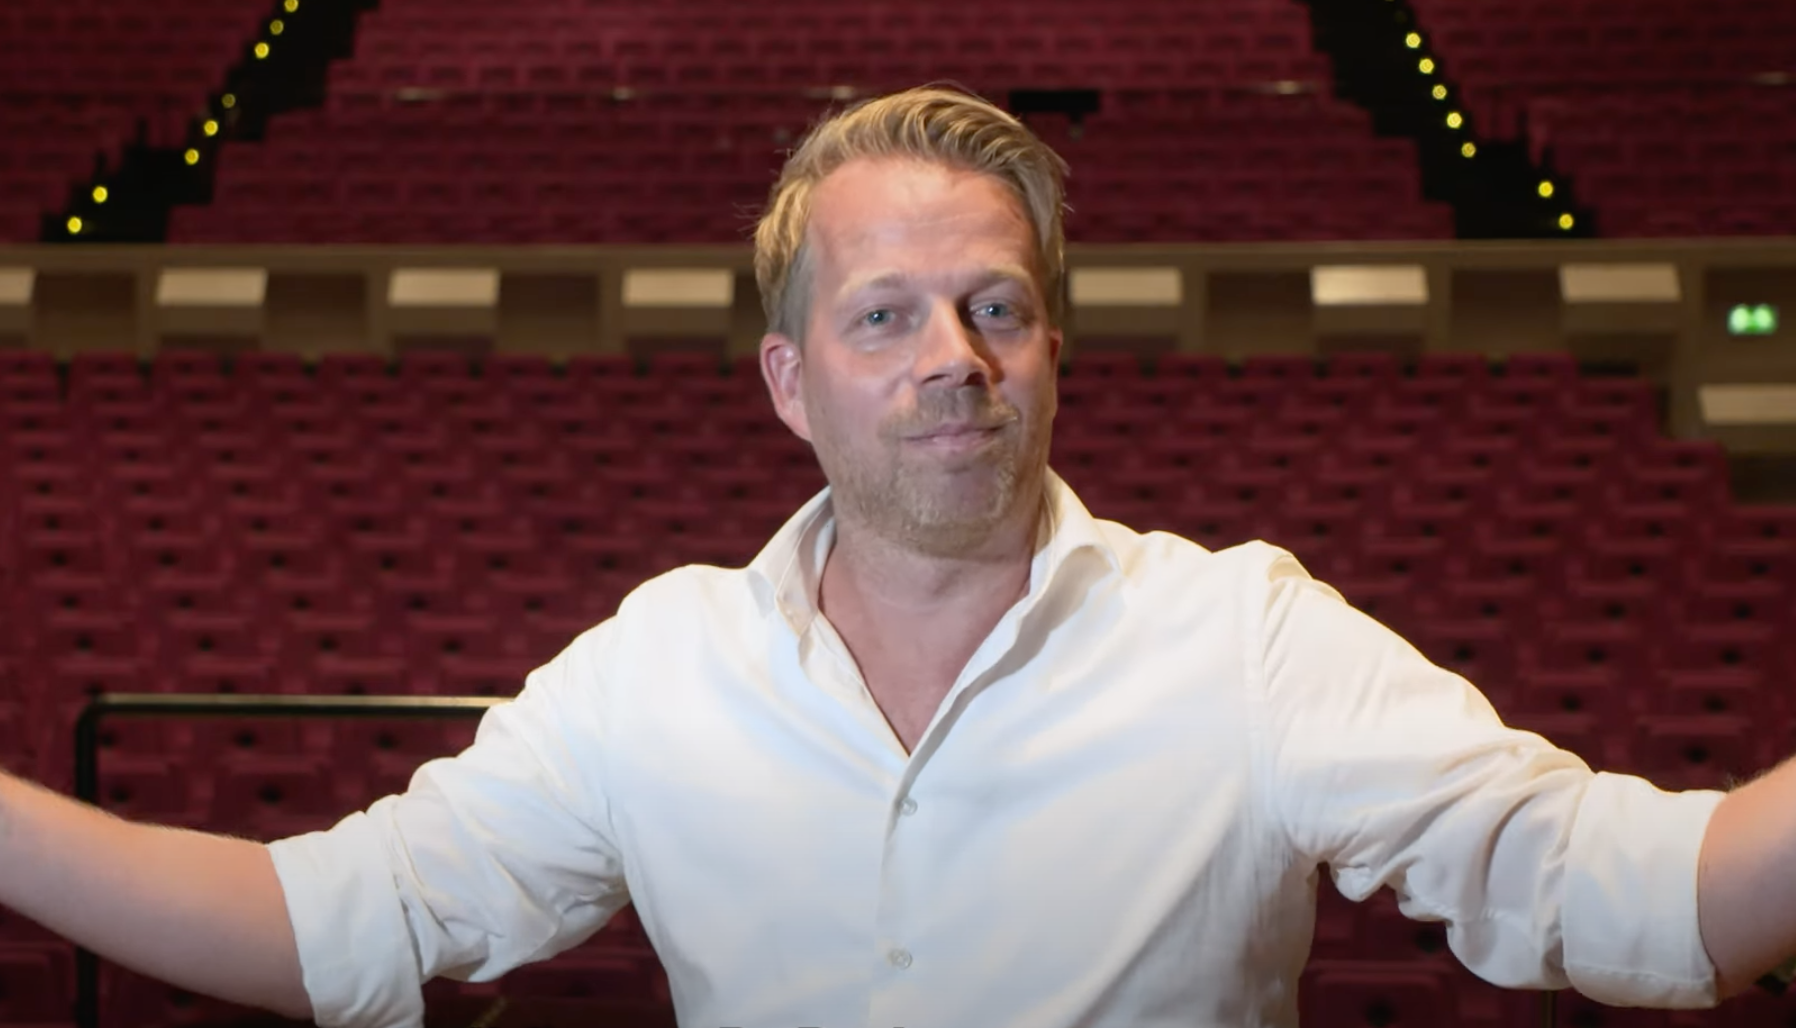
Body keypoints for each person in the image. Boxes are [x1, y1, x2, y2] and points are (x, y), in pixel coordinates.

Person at [0, 84, 1792, 1028]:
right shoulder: (657, 667)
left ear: (1053, 353)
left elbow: (1626, 893)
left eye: (995, 306)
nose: (954, 356)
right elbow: (339, 921)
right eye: (884, 314)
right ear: (791, 382)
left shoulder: (1245, 635)